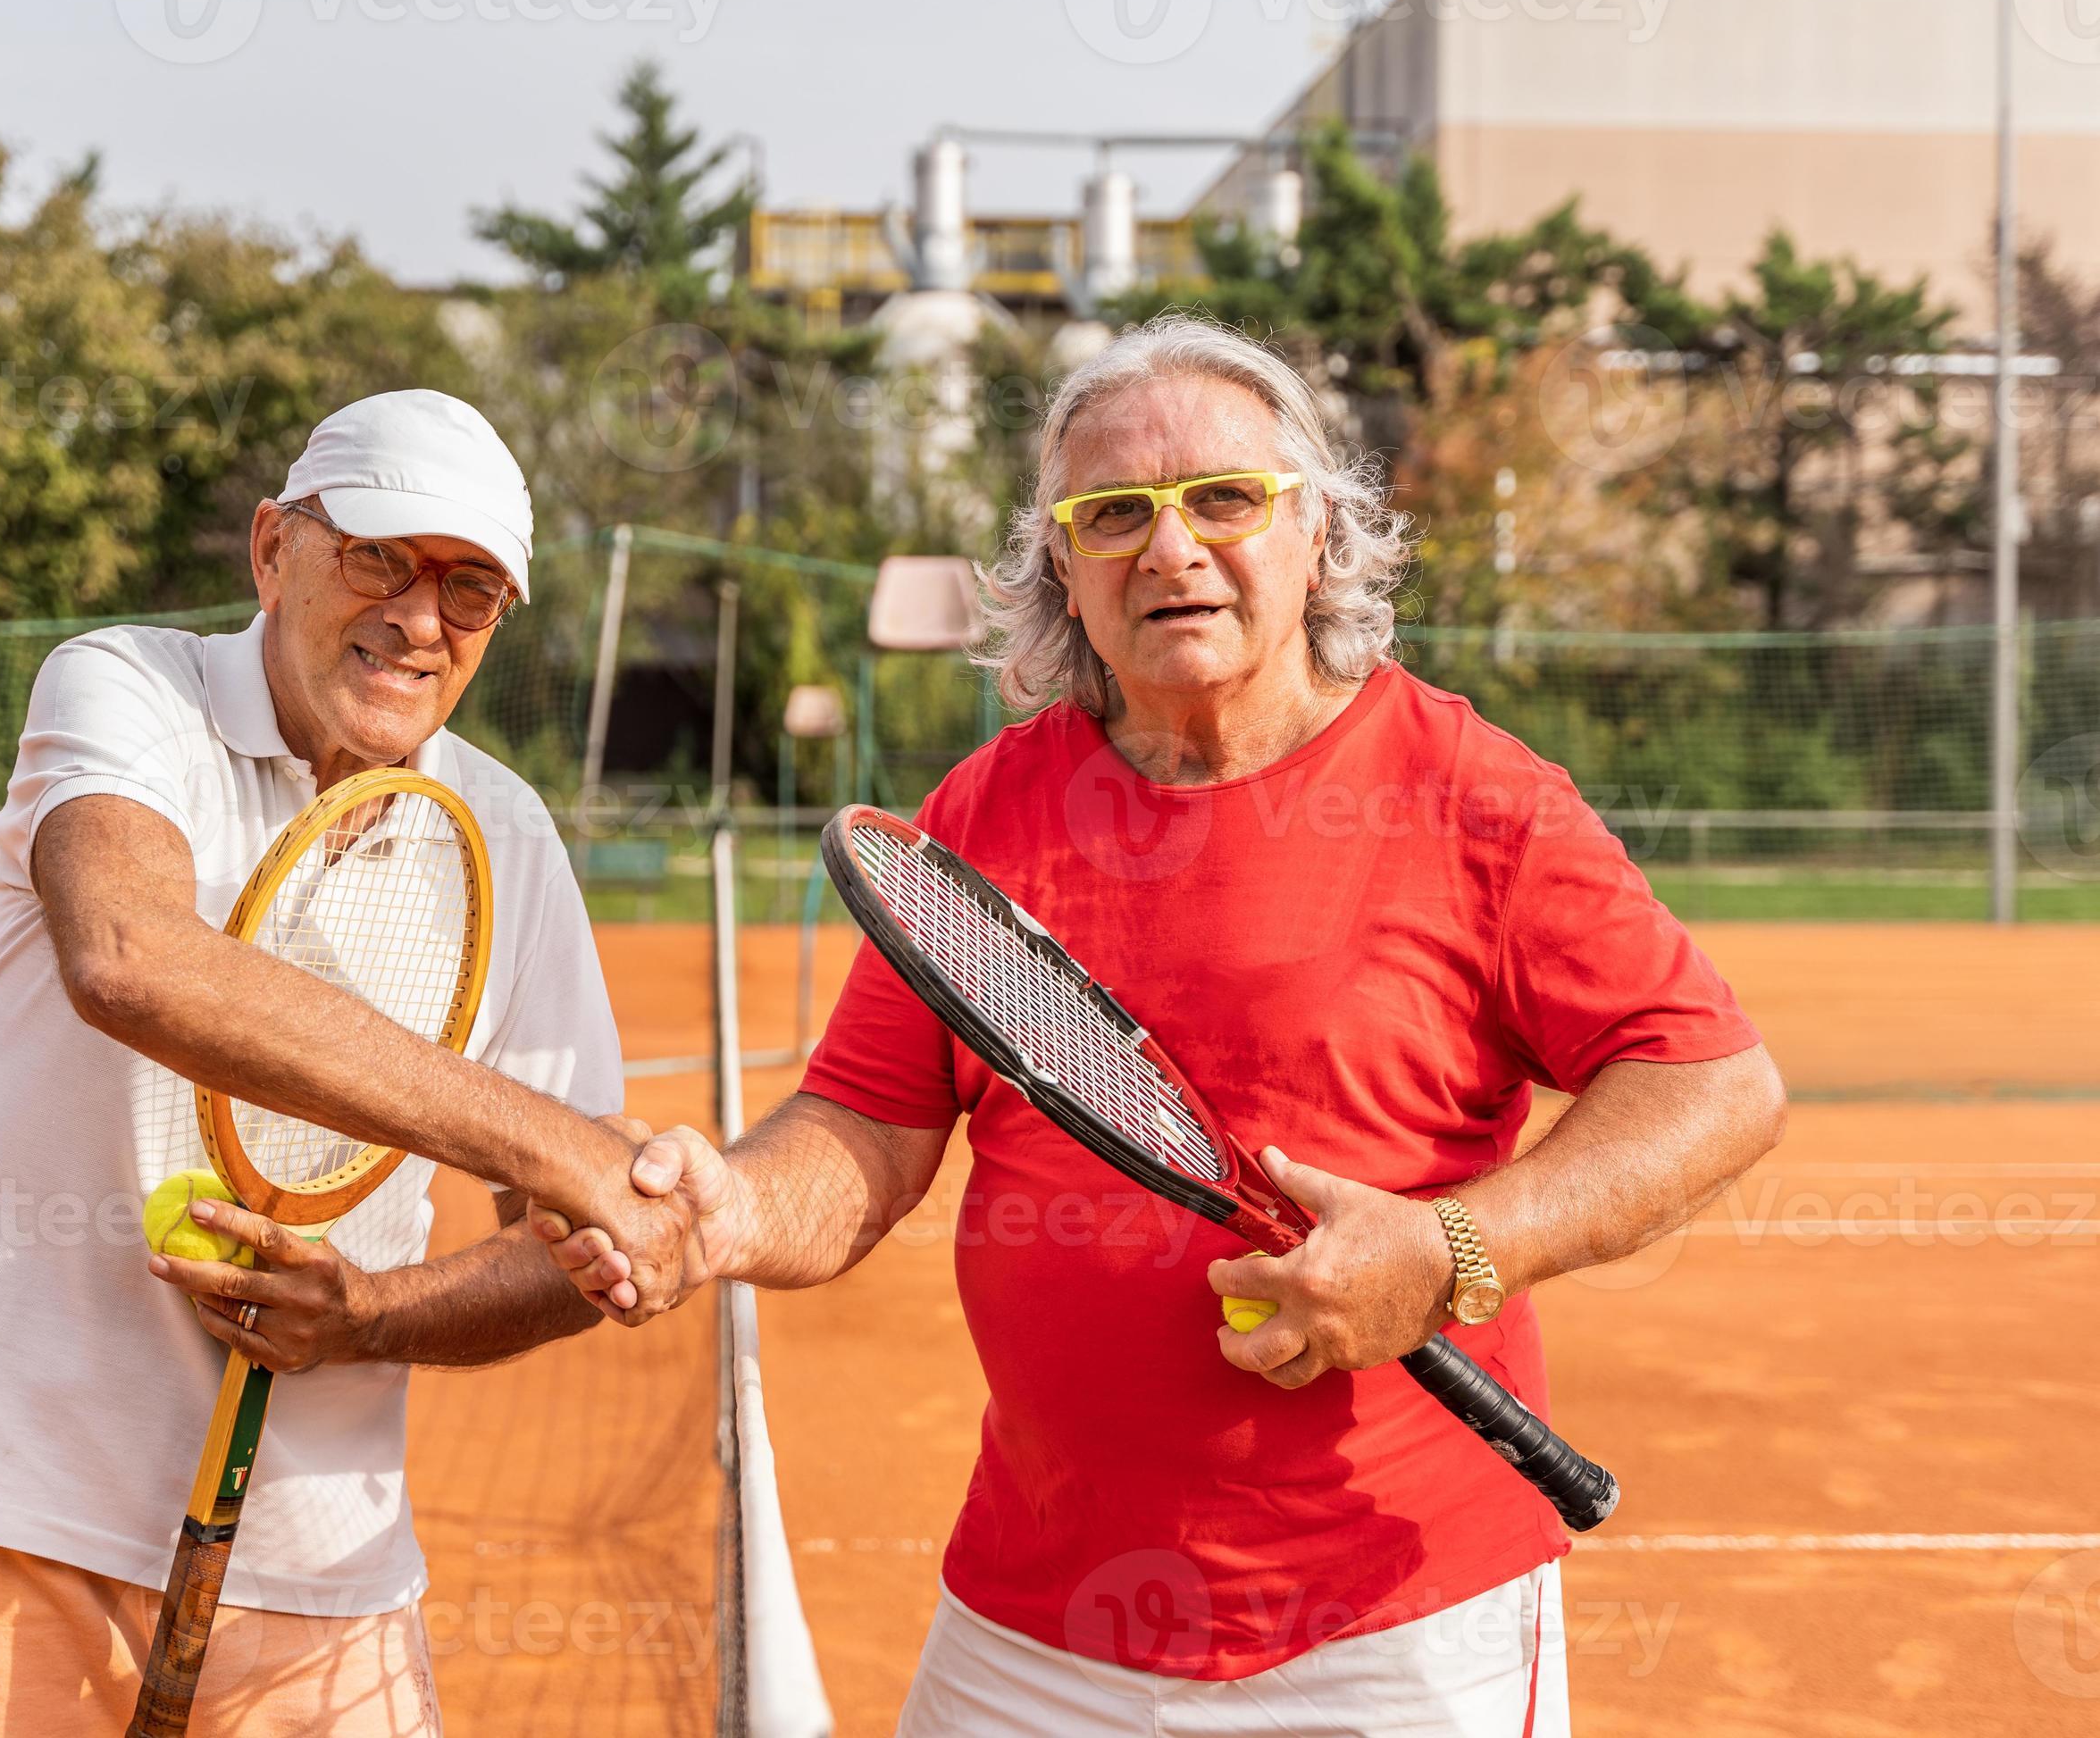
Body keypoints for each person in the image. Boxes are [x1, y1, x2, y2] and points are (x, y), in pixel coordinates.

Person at [545, 316, 1787, 1736]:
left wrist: (1453, 1252)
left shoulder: (1472, 795)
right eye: (1113, 513)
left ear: (1319, 535)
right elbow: (868, 1134)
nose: (1171, 547)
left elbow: (1713, 1082)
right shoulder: (984, 815)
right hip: (1034, 1632)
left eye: (1224, 500)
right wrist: (726, 1210)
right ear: (1061, 571)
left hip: (1392, 1631)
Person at [0, 389, 699, 1736]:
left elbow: (578, 1252)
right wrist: (551, 1140)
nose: (417, 619)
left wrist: (376, 1317)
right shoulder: (127, 689)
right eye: (379, 560)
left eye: (470, 591)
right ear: (274, 548)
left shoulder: (509, 833)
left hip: (318, 1573)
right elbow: (127, 955)